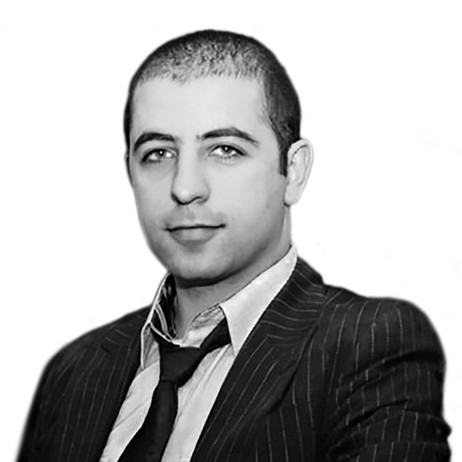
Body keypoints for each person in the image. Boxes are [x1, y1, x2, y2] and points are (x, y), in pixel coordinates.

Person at [17, 29, 451, 462]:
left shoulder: (370, 346)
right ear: (130, 170)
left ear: (294, 171)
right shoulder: (74, 371)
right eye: (158, 153)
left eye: (225, 149)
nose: (185, 187)